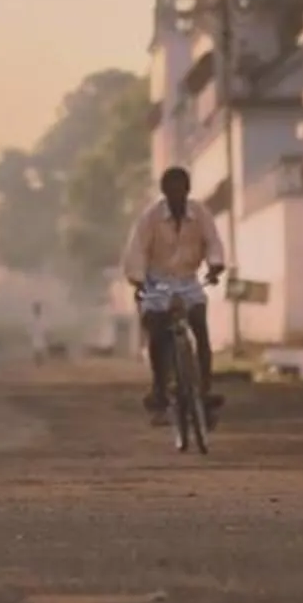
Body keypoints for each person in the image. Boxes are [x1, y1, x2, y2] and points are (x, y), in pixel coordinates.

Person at [122, 166, 228, 420]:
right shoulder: (150, 218)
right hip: (157, 282)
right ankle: (159, 386)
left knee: (200, 328)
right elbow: (137, 250)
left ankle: (204, 388)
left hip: (189, 280)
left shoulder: (201, 214)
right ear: (164, 193)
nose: (177, 196)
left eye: (181, 190)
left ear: (188, 190)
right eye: (171, 191)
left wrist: (215, 265)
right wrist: (138, 281)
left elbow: (213, 241)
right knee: (157, 332)